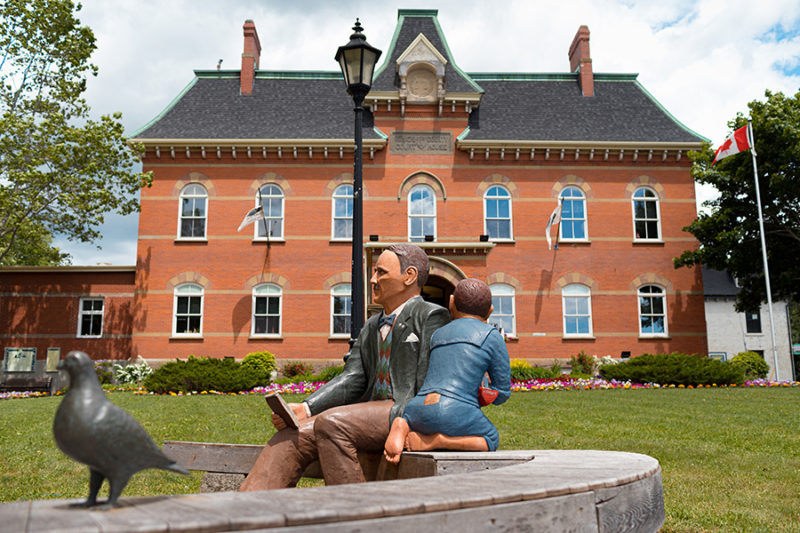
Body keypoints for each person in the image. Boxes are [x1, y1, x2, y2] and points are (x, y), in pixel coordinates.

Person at [239, 243, 450, 490]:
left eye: (381, 272)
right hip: (367, 413)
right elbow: (353, 377)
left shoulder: (431, 316)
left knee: (331, 422)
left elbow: (433, 382)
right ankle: (246, 513)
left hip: (403, 411)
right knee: (291, 436)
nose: (373, 279)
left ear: (409, 276)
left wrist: (408, 426)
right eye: (374, 272)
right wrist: (306, 409)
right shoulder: (372, 325)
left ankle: (352, 515)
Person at [384, 278, 511, 463]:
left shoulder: (438, 334)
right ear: (490, 311)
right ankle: (437, 441)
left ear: (451, 303)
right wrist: (482, 394)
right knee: (490, 438)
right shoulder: (491, 336)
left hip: (417, 409)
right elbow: (502, 393)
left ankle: (403, 423)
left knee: (429, 418)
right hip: (455, 410)